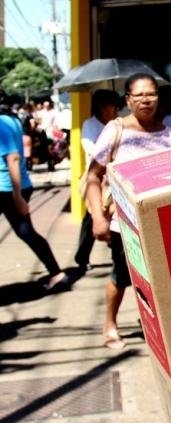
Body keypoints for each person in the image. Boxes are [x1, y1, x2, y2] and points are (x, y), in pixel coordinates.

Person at [85, 73, 171, 349]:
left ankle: (150, 323)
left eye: (151, 94)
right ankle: (110, 324)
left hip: (158, 222)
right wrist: (97, 218)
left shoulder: (166, 132)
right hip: (123, 224)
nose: (146, 100)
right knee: (122, 276)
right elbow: (93, 175)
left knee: (158, 279)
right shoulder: (116, 130)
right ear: (128, 99)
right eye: (139, 95)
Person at [0, 89, 69, 291]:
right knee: (26, 232)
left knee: (26, 232)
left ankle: (57, 273)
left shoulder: (2, 123)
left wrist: (17, 195)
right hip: (15, 186)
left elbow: (12, 158)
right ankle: (57, 273)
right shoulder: (11, 120)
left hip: (8, 189)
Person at [74, 89, 121, 271]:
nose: (116, 109)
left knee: (113, 217)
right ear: (102, 107)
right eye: (113, 106)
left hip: (113, 180)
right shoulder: (89, 125)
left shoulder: (116, 125)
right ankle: (82, 257)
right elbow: (93, 151)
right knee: (93, 217)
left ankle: (117, 257)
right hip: (95, 181)